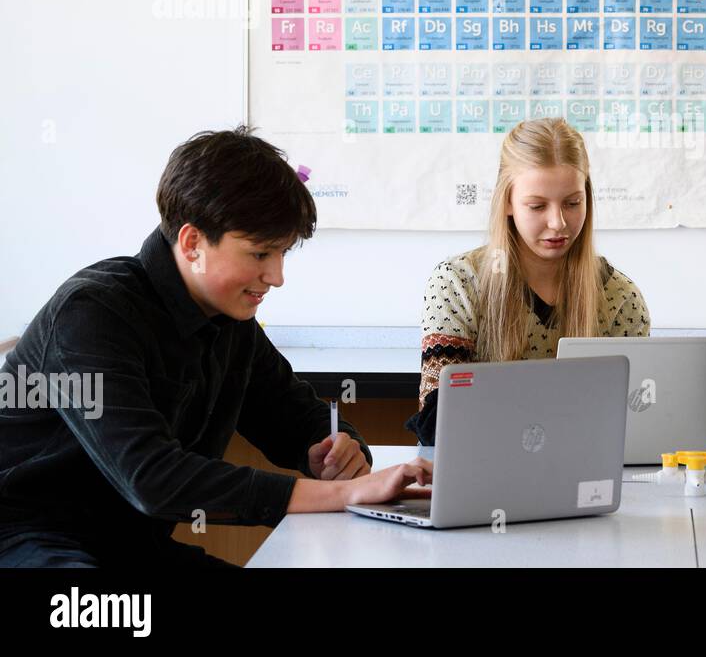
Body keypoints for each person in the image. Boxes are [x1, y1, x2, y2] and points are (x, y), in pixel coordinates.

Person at [0, 126, 430, 567]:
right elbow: (153, 478)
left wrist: (338, 451)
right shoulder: (90, 312)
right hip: (27, 539)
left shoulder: (227, 317)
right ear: (192, 243)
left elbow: (292, 413)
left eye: (283, 253)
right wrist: (342, 493)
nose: (277, 276)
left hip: (126, 544)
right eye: (260, 254)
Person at [407, 118, 650, 443]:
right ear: (507, 201)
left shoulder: (620, 297)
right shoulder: (457, 283)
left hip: (583, 473)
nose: (558, 222)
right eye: (537, 206)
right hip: (487, 476)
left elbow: (640, 417)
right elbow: (436, 425)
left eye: (572, 203)